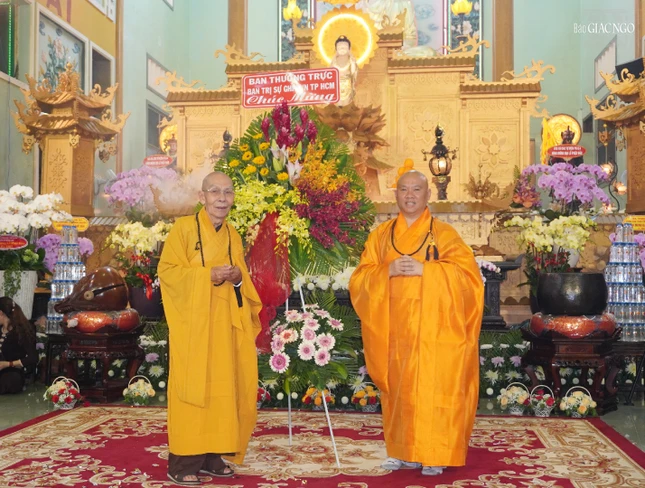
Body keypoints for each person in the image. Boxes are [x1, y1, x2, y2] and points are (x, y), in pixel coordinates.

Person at [349, 170, 484, 476]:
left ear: (427, 195)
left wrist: (428, 271)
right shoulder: (380, 236)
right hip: (394, 328)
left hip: (437, 330)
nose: (409, 195)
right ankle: (402, 450)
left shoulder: (445, 234)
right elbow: (359, 280)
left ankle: (435, 453)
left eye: (416, 190)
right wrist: (387, 270)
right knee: (400, 391)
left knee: (435, 390)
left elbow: (469, 279)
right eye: (404, 189)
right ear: (395, 194)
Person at [158, 171, 263, 486]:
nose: (222, 198)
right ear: (202, 197)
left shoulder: (232, 234)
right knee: (193, 390)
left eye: (228, 192)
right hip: (194, 326)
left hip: (225, 327)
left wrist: (238, 278)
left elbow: (243, 277)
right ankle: (183, 461)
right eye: (215, 191)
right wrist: (207, 276)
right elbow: (167, 272)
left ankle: (213, 456)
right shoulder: (183, 228)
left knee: (223, 390)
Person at [0, 297, 37, 395]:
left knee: (10, 380)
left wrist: (7, 364)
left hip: (12, 371)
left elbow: (33, 357)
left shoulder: (21, 331)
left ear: (1, 313)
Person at [330, 35, 358, 107]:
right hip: (337, 85)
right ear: (336, 49)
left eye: (345, 47)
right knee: (337, 105)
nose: (342, 49)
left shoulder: (351, 60)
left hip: (347, 84)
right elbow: (330, 74)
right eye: (339, 47)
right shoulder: (333, 61)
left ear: (349, 49)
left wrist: (353, 62)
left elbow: (354, 72)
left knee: (347, 105)